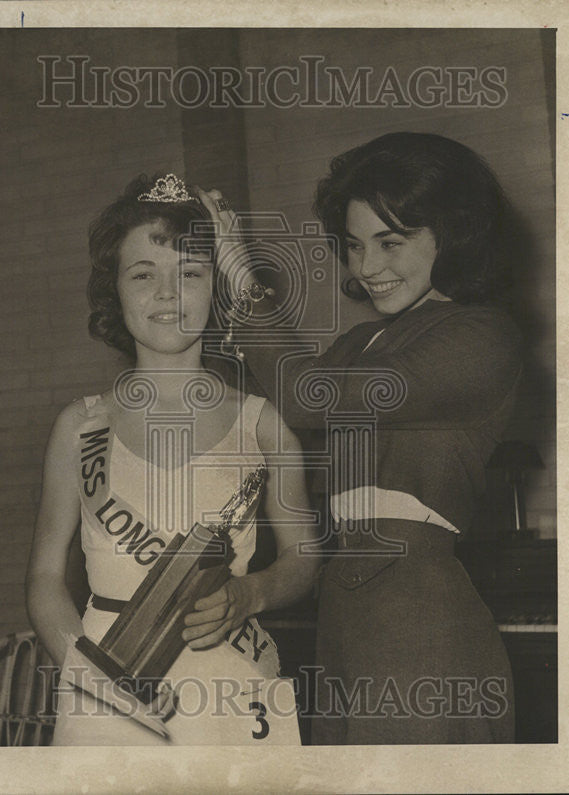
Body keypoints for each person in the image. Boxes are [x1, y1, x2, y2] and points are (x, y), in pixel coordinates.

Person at [197, 132, 522, 744]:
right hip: (343, 618)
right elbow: (268, 425)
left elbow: (303, 395)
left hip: (422, 625)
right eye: (353, 246)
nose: (367, 267)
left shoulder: (481, 337)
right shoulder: (357, 347)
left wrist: (241, 276)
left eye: (390, 242)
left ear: (451, 234)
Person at [26, 173, 319, 745]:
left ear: (217, 288)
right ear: (114, 290)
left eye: (189, 273)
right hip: (107, 680)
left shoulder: (262, 423)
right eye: (143, 274)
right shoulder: (82, 425)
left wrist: (250, 593)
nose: (167, 293)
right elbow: (43, 578)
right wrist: (90, 673)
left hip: (229, 679)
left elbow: (303, 560)